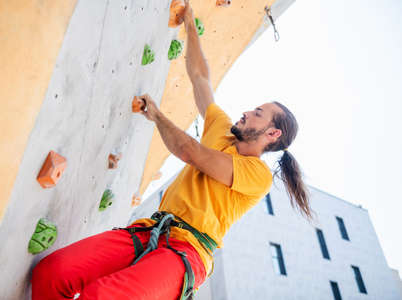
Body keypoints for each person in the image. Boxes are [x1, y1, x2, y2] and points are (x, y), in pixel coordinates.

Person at [31, 0, 315, 299]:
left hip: (188, 251)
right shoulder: (222, 130)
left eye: (258, 112)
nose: (247, 112)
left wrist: (156, 114)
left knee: (104, 296)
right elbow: (200, 78)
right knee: (53, 271)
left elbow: (192, 153)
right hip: (150, 230)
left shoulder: (258, 174)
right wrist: (190, 25)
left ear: (272, 133)